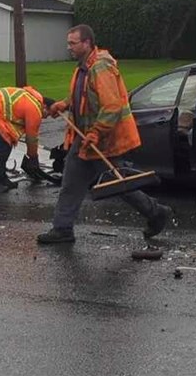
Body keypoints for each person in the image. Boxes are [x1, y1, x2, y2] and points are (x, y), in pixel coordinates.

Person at [37, 24, 173, 245]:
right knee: (71, 184)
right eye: (68, 42)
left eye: (73, 43)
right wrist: (63, 104)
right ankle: (62, 229)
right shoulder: (84, 67)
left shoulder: (101, 68)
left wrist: (97, 133)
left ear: (87, 43)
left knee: (119, 184)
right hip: (86, 138)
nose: (68, 47)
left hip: (103, 139)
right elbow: (82, 96)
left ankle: (156, 212)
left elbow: (111, 106)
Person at [0, 85, 54, 193]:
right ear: (44, 106)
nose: (46, 117)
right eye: (48, 113)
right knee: (2, 147)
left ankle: (1, 178)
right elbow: (31, 138)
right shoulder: (34, 108)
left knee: (0, 146)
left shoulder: (28, 98)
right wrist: (33, 158)